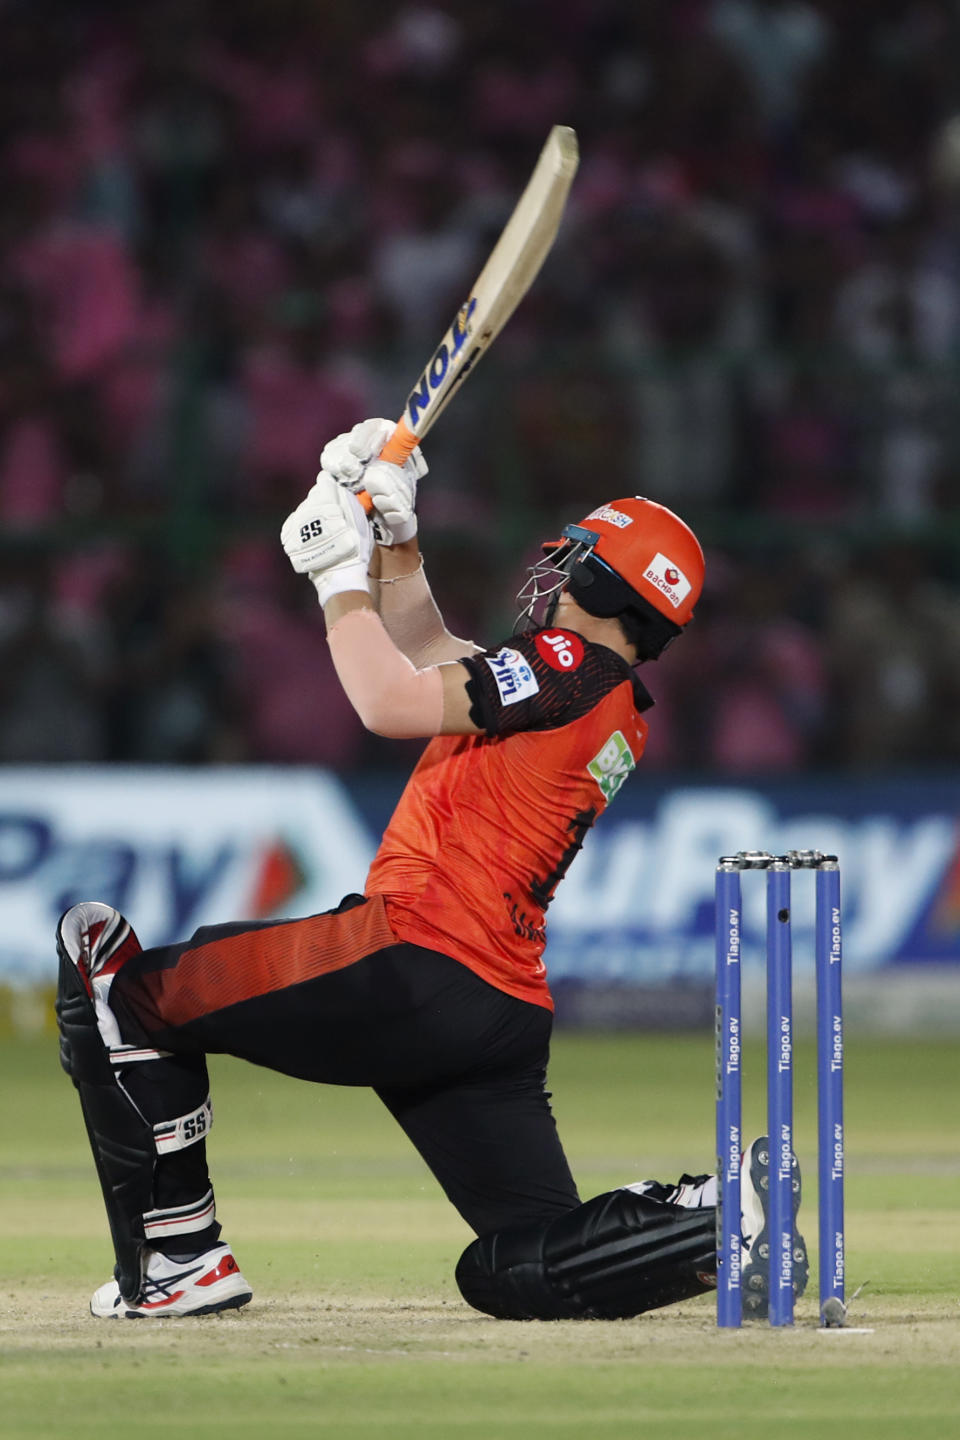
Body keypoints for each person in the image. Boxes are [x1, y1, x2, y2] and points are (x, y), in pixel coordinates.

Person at [56, 418, 805, 1321]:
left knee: (121, 991)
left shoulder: (569, 666)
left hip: (414, 957)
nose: (555, 573)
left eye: (576, 561)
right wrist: (397, 542)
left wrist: (337, 575)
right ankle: (719, 1217)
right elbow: (427, 656)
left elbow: (387, 698)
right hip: (497, 1010)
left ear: (610, 585)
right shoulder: (601, 697)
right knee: (518, 1269)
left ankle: (180, 1260)